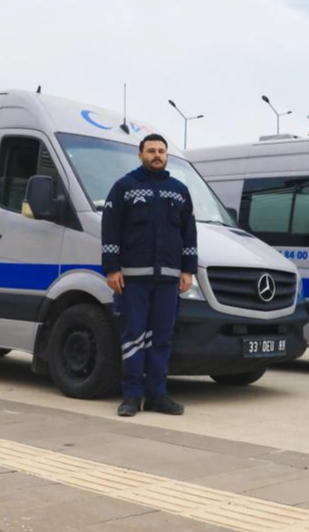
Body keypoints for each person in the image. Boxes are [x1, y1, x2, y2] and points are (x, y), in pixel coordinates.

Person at [102, 134, 198, 416]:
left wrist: (188, 270)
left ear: (166, 155)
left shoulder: (179, 190)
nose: (157, 155)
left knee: (162, 338)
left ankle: (157, 395)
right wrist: (112, 268)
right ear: (140, 154)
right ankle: (131, 396)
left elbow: (189, 234)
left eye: (161, 151)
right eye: (151, 150)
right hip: (133, 279)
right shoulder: (125, 187)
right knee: (133, 337)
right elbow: (110, 229)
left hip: (169, 280)